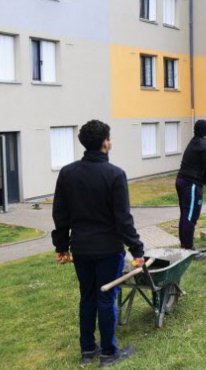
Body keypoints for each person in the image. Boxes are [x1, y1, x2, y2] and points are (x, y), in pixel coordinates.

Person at [52, 120, 144, 367]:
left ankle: (87, 350)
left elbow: (60, 214)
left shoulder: (67, 173)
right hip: (107, 250)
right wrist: (137, 250)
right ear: (105, 143)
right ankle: (108, 353)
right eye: (109, 138)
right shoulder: (115, 174)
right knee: (106, 298)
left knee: (88, 296)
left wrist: (61, 247)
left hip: (80, 248)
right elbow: (123, 219)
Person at [175, 119, 206, 261]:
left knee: (185, 215)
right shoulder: (205, 145)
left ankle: (184, 245)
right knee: (190, 216)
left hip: (181, 180)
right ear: (205, 132)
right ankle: (189, 249)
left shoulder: (194, 142)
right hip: (190, 184)